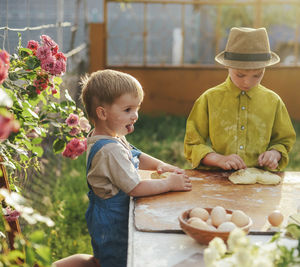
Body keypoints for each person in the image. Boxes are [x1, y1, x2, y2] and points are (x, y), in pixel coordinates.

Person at [80, 69, 192, 267]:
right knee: (114, 260)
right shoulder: (109, 151)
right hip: (112, 223)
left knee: (101, 259)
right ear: (102, 113)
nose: (135, 116)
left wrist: (160, 165)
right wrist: (169, 184)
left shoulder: (112, 136)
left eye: (137, 108)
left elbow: (135, 154)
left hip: (111, 215)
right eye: (127, 110)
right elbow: (135, 188)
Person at [184, 27, 296, 171]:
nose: (247, 83)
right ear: (227, 65)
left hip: (260, 184)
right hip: (218, 181)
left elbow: (284, 140)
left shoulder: (274, 102)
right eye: (240, 75)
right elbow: (192, 144)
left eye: (257, 75)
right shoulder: (208, 99)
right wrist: (219, 159)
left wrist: (275, 154)